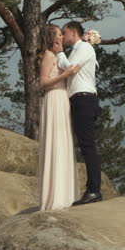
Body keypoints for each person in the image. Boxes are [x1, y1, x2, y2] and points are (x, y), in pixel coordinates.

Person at [56, 21, 102, 205]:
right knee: (84, 145)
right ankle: (92, 189)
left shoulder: (84, 47)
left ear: (74, 32)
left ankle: (94, 190)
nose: (62, 35)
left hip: (84, 99)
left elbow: (70, 68)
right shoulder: (76, 49)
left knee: (88, 145)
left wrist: (59, 52)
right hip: (78, 100)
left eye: (64, 32)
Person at [37, 24, 81, 211]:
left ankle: (65, 194)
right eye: (59, 34)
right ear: (51, 37)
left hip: (62, 100)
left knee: (63, 144)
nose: (62, 37)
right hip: (54, 99)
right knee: (56, 143)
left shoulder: (57, 56)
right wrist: (66, 74)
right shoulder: (48, 55)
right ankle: (55, 197)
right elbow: (43, 82)